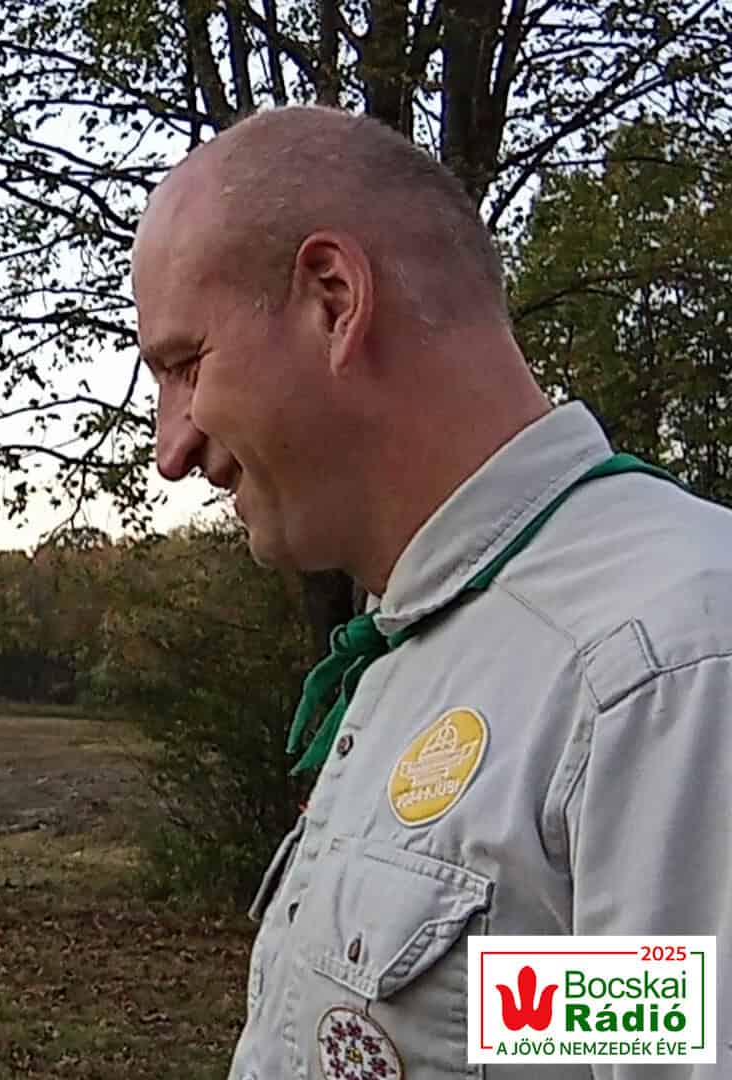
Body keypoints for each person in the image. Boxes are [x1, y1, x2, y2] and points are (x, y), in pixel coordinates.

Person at [133, 105, 731, 1078]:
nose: (171, 449)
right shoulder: (428, 647)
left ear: (334, 299)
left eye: (184, 364)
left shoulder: (669, 662)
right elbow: (584, 1022)